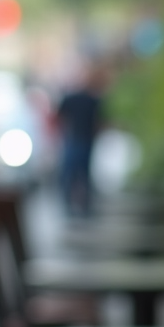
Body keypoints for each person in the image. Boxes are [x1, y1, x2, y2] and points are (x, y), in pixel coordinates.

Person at [56, 65, 106, 217]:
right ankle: (84, 208)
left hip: (74, 140)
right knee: (83, 175)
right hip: (84, 141)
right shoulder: (93, 100)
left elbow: (59, 117)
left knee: (70, 175)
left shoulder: (73, 98)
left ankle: (70, 206)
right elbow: (99, 121)